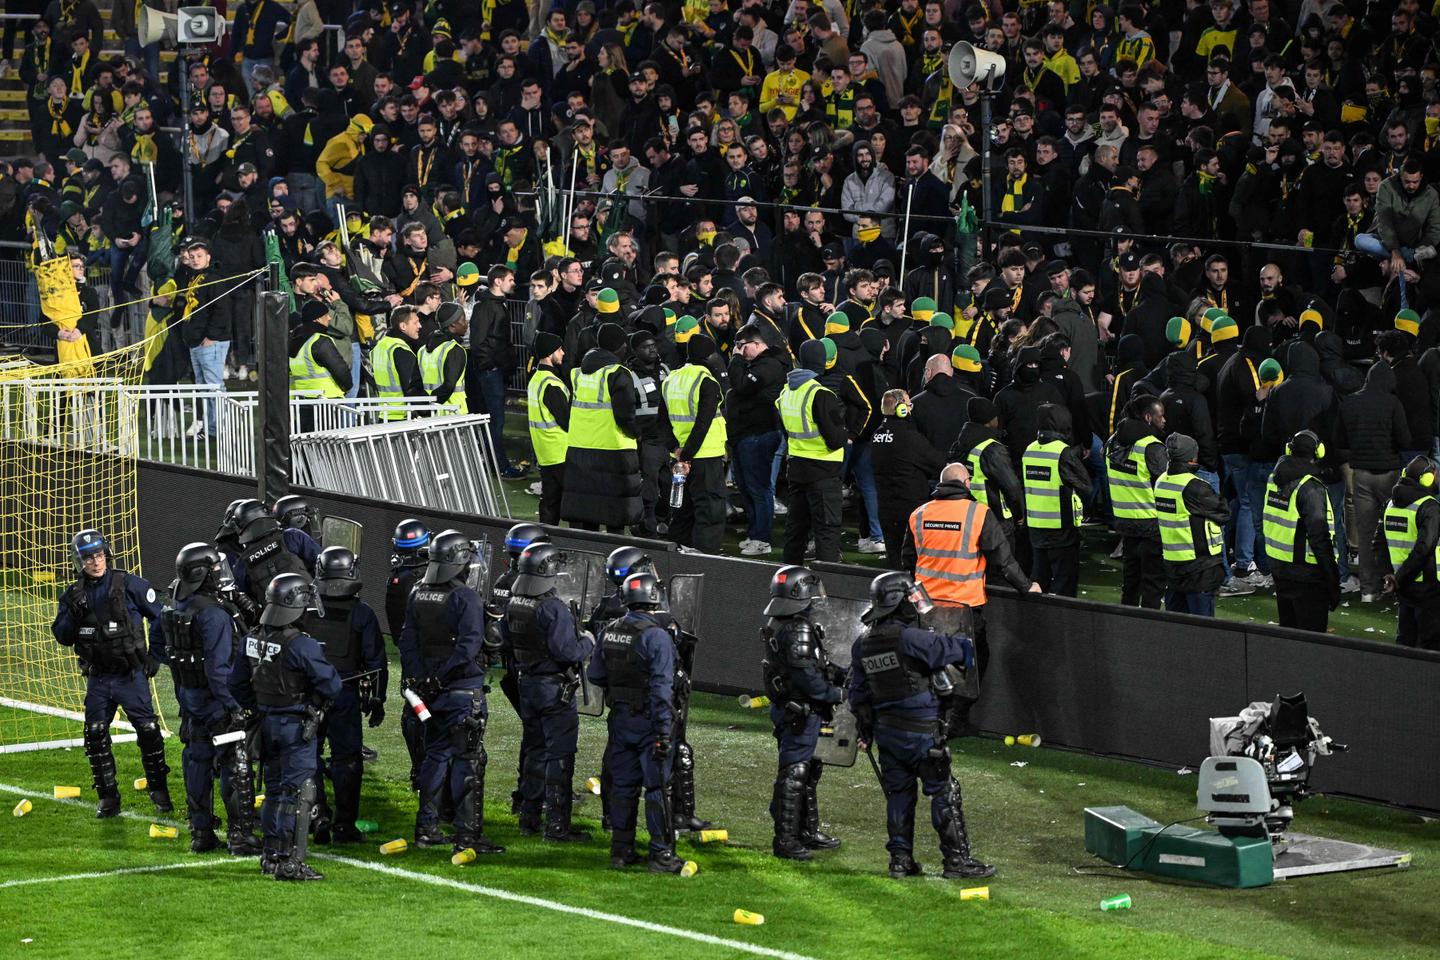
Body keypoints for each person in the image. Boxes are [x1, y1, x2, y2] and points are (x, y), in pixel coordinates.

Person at [847, 572, 994, 880]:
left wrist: (866, 730)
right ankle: (957, 861)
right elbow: (960, 651)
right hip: (922, 732)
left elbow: (858, 695)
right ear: (899, 604)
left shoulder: (862, 645)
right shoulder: (912, 639)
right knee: (944, 791)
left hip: (887, 735)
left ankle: (900, 861)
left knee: (899, 794)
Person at [399, 530, 506, 855]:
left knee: (435, 757)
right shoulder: (466, 598)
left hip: (429, 692)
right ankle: (467, 835)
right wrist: (442, 677)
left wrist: (424, 679)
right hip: (461, 691)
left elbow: (407, 642)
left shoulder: (418, 592)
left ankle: (426, 829)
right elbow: (469, 646)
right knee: (468, 761)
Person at [51, 529, 170, 819]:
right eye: (89, 557)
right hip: (99, 678)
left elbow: (163, 617)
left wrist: (155, 654)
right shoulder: (73, 595)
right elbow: (63, 636)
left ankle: (159, 791)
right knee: (94, 734)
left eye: (100, 555)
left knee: (149, 731)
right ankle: (107, 797)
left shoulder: (130, 584)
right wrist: (74, 613)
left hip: (131, 675)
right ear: (79, 562)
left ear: (107, 554)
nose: (96, 562)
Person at [235, 573, 342, 880]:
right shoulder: (301, 646)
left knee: (273, 791)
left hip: (265, 725)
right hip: (295, 728)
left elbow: (237, 683)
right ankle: (289, 861)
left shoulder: (252, 638)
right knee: (297, 794)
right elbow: (332, 685)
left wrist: (259, 707)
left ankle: (270, 856)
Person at [159, 542, 261, 855]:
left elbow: (164, 649)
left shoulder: (175, 604)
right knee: (235, 763)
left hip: (190, 698)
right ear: (203, 573)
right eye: (215, 569)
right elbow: (219, 671)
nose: (220, 573)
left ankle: (201, 832)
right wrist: (235, 706)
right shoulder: (213, 615)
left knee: (197, 760)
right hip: (217, 701)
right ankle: (240, 837)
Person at [587, 571, 688, 873]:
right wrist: (663, 732)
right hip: (648, 722)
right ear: (654, 597)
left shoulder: (611, 630)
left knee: (624, 787)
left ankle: (621, 850)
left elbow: (595, 675)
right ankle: (661, 854)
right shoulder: (656, 636)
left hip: (620, 721)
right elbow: (661, 689)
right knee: (657, 788)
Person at [501, 542, 595, 841]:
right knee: (560, 757)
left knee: (534, 753)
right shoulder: (552, 607)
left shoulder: (515, 602)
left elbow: (504, 639)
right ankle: (557, 826)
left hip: (526, 685)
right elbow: (566, 651)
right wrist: (589, 642)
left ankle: (528, 817)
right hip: (554, 689)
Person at [760, 565, 844, 860]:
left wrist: (838, 675)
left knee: (807, 770)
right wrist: (834, 693)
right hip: (800, 710)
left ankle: (805, 831)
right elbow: (806, 675)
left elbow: (812, 664)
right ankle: (786, 839)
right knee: (795, 772)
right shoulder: (798, 628)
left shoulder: (781, 623)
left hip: (791, 708)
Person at [307, 547, 386, 844]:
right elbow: (376, 662)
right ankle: (344, 826)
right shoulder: (362, 613)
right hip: (344, 694)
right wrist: (377, 700)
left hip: (309, 695)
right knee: (348, 760)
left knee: (307, 756)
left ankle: (316, 815)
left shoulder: (305, 608)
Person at [484, 522, 551, 814]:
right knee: (539, 736)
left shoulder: (502, 581)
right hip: (531, 670)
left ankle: (528, 791)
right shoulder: (530, 587)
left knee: (533, 732)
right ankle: (531, 793)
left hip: (512, 670)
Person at [562, 322, 643, 532]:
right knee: (615, 516)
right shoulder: (618, 373)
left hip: (580, 448)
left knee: (588, 512)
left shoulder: (578, 373)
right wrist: (637, 434)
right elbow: (625, 415)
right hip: (613, 450)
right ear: (619, 347)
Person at [777, 338, 849, 563]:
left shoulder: (786, 393)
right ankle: (828, 585)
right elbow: (836, 439)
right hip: (824, 472)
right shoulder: (821, 394)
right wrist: (845, 431)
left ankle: (788, 580)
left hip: (797, 469)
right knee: (826, 531)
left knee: (795, 530)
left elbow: (786, 431)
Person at [1261, 430, 1340, 632]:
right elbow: (1320, 538)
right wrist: (1332, 581)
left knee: (1289, 636)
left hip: (1280, 568)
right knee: (1311, 641)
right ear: (1318, 451)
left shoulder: (1274, 478)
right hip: (1306, 575)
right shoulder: (1310, 488)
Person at [660, 334, 728, 553]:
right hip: (704, 457)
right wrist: (688, 454)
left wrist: (676, 451)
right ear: (710, 356)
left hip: (678, 458)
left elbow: (661, 421)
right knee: (708, 510)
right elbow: (703, 423)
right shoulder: (706, 380)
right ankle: (705, 560)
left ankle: (677, 556)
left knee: (681, 510)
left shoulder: (671, 379)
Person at [1154, 434, 1230, 616]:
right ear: (1192, 457)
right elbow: (1224, 512)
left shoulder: (1161, 481)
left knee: (1178, 626)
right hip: (1199, 568)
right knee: (1202, 631)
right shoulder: (1194, 487)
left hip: (1173, 566)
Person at [728, 322, 787, 556]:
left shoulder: (769, 365)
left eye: (742, 347)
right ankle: (755, 533)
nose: (740, 352)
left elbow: (741, 386)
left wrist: (735, 361)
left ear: (756, 344)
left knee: (759, 487)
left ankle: (762, 538)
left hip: (761, 433)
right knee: (746, 486)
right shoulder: (758, 364)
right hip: (747, 433)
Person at [871, 389, 944, 567]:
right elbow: (938, 464)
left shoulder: (876, 436)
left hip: (886, 505)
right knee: (914, 559)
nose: (911, 408)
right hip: (910, 506)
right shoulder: (910, 438)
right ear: (901, 409)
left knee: (894, 557)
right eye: (909, 404)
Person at [1022, 403, 1090, 595]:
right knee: (1064, 585)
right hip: (1062, 530)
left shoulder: (1030, 450)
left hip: (1035, 528)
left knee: (1039, 582)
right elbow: (1085, 486)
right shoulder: (1063, 452)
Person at [1107, 396, 1168, 609]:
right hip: (1151, 523)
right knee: (1152, 582)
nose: (1164, 420)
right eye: (1161, 416)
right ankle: (1148, 629)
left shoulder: (1113, 442)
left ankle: (1127, 622)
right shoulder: (1151, 447)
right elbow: (1165, 483)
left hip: (1124, 521)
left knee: (1130, 580)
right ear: (1148, 417)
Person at [386, 519, 431, 793]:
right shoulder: (421, 580)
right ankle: (425, 773)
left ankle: (419, 770)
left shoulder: (397, 577)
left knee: (413, 713)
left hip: (409, 655)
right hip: (426, 656)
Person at [1379, 457, 1440, 650]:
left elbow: (1378, 544)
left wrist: (1391, 576)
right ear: (1427, 479)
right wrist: (1398, 578)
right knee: (1430, 643)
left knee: (1405, 640)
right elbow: (1423, 550)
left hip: (1402, 585)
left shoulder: (1390, 504)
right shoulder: (1429, 506)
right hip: (1427, 586)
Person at [230, 499, 321, 603]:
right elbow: (322, 562)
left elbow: (244, 599)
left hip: (274, 618)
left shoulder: (241, 565)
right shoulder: (292, 536)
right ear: (266, 514)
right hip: (311, 608)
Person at [526, 331, 569, 525]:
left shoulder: (536, 379)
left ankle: (545, 539)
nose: (563, 353)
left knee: (549, 501)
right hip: (560, 450)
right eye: (559, 350)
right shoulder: (551, 384)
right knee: (564, 502)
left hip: (544, 450)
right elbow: (566, 419)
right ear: (549, 353)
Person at [371, 305, 427, 419]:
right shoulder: (401, 350)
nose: (420, 326)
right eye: (415, 322)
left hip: (385, 415)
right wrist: (427, 412)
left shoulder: (380, 346)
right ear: (403, 326)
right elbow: (412, 389)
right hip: (401, 417)